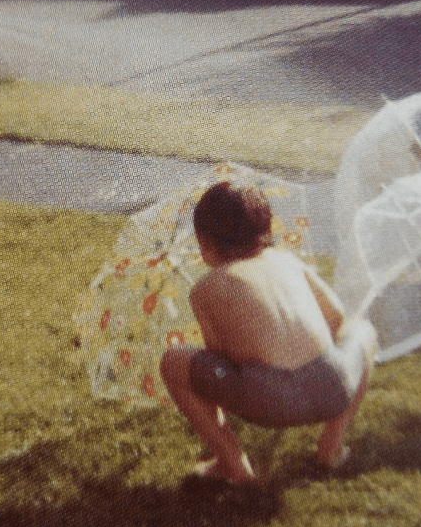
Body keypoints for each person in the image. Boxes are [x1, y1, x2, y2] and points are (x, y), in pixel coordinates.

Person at [160, 181, 377, 484]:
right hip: (332, 385)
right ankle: (331, 447)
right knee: (363, 330)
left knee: (173, 361)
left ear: (205, 242)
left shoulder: (205, 289)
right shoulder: (287, 260)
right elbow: (337, 316)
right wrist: (307, 350)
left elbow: (220, 358)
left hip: (267, 401)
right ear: (266, 228)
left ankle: (234, 467)